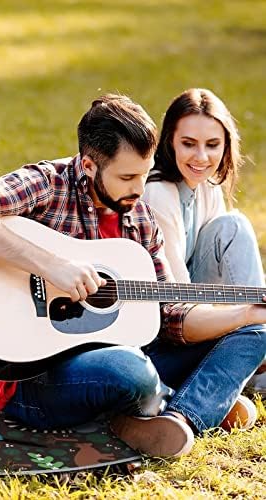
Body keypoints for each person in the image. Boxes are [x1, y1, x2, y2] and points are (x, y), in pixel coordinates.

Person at [0, 94, 266, 458]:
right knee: (130, 371)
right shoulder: (48, 183)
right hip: (36, 377)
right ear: (89, 165)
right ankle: (193, 398)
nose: (139, 190)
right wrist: (50, 264)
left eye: (144, 173)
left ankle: (181, 417)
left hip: (132, 353)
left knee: (256, 332)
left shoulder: (139, 217)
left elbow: (171, 314)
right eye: (127, 177)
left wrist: (244, 314)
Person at [143, 88, 266, 393]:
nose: (201, 157)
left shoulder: (207, 185)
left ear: (226, 146)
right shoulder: (158, 192)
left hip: (201, 312)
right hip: (167, 325)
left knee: (231, 225)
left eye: (213, 145)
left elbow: (226, 277)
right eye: (188, 144)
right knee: (234, 225)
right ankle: (253, 359)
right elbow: (178, 300)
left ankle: (254, 350)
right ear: (170, 141)